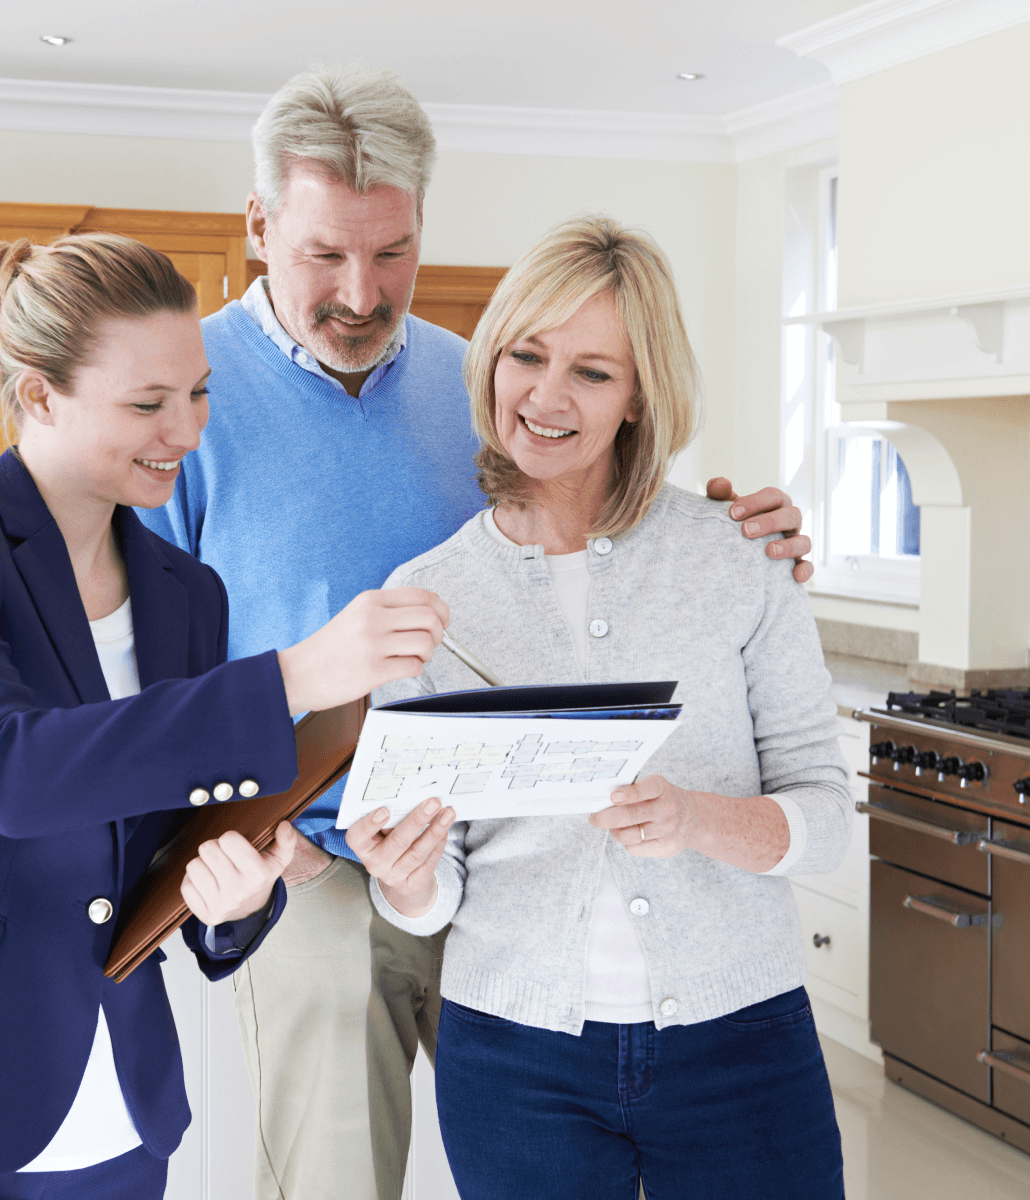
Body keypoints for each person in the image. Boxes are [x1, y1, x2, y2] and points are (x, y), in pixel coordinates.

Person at [139, 65, 820, 1200]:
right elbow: (142, 686)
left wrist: (748, 532)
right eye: (322, 255)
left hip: (512, 865)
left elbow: (594, 536)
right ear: (259, 227)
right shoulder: (187, 408)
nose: (361, 291)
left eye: (391, 252)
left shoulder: (481, 384)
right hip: (310, 867)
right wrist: (259, 847)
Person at [0, 231, 451, 1198]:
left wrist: (235, 900)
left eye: (199, 393)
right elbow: (8, 771)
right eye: (148, 403)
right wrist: (294, 676)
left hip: (113, 1121)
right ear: (39, 393)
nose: (187, 430)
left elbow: (165, 837)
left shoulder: (186, 592)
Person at [348, 215, 849, 1199]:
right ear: (490, 360)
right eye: (525, 355)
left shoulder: (738, 557)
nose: (543, 395)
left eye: (591, 371)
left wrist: (697, 818)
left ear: (639, 397)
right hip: (514, 1059)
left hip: (742, 1039)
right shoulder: (426, 600)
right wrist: (400, 881)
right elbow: (434, 885)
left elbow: (827, 819)